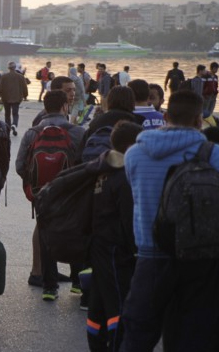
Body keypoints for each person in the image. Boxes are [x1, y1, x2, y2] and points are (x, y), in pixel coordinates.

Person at [121, 90, 219, 351]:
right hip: (199, 259)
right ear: (200, 120)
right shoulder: (213, 154)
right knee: (193, 336)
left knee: (137, 336)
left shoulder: (135, 154)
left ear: (165, 115)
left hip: (150, 256)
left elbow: (136, 194)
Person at [16, 90, 86, 298]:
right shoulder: (77, 131)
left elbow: (20, 165)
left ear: (45, 107)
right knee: (75, 231)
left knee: (46, 235)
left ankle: (49, 287)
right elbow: (84, 163)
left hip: (42, 193)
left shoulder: (32, 132)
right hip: (70, 192)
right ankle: (77, 282)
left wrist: (34, 185)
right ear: (65, 106)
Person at [85, 121, 142, 352]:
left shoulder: (103, 171)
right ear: (130, 147)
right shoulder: (124, 177)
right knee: (118, 305)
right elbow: (129, 220)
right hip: (116, 250)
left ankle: (97, 346)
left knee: (98, 304)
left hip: (99, 245)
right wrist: (136, 250)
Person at [0, 61, 28, 136]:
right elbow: (24, 87)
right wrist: (25, 95)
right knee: (15, 113)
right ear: (15, 68)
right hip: (16, 98)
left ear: (8, 68)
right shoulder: (20, 76)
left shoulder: (4, 76)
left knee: (7, 114)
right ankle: (14, 124)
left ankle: (7, 128)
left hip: (6, 98)